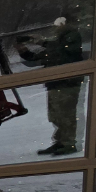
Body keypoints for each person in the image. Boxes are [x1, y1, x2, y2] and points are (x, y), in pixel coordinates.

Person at [15, 15, 84, 156]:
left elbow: (63, 51)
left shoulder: (72, 36)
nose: (56, 27)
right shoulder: (58, 42)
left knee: (66, 114)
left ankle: (68, 143)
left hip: (67, 82)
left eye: (59, 23)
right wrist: (23, 51)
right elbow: (36, 58)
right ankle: (61, 142)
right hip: (55, 83)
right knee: (56, 115)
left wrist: (43, 42)